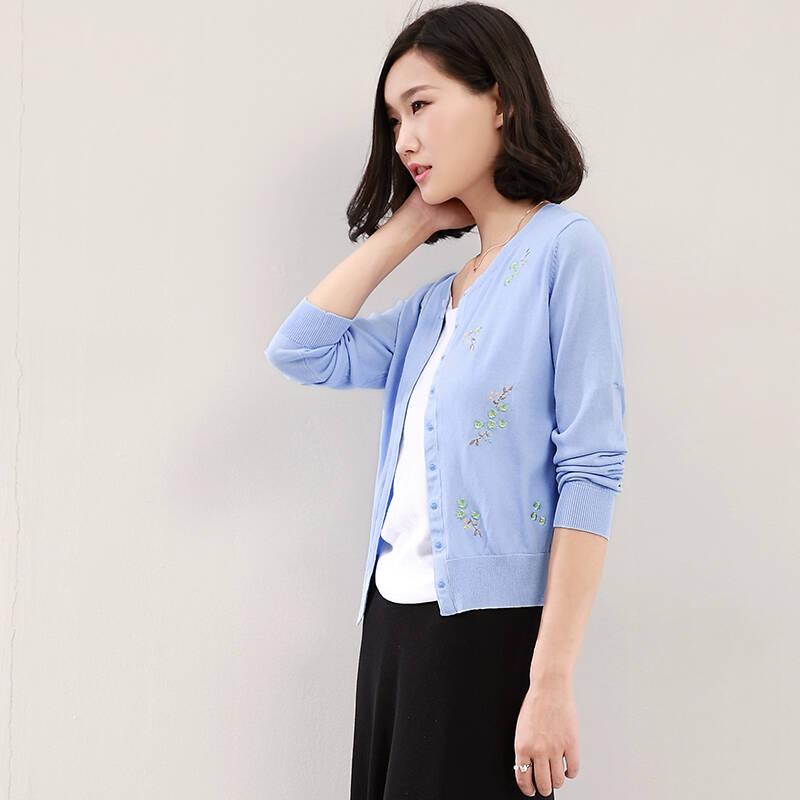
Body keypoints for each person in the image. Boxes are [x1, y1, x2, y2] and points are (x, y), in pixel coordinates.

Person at [264, 3, 628, 797]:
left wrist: (551, 681)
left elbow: (592, 469)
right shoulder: (434, 305)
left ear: (499, 99)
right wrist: (407, 229)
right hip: (391, 625)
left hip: (484, 638)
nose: (404, 139)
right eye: (395, 119)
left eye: (420, 105)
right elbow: (302, 350)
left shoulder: (565, 251)